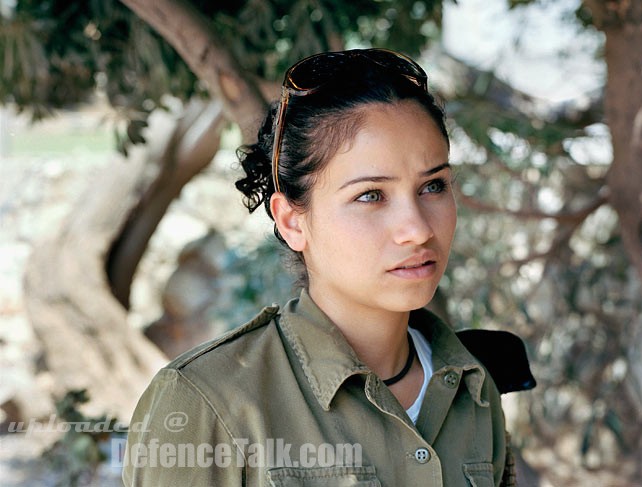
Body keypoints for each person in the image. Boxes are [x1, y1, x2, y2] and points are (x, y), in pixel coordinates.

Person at [122, 48, 529, 486]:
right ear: (293, 221)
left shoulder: (473, 383)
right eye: (371, 195)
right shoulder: (207, 403)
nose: (416, 229)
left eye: (433, 186)